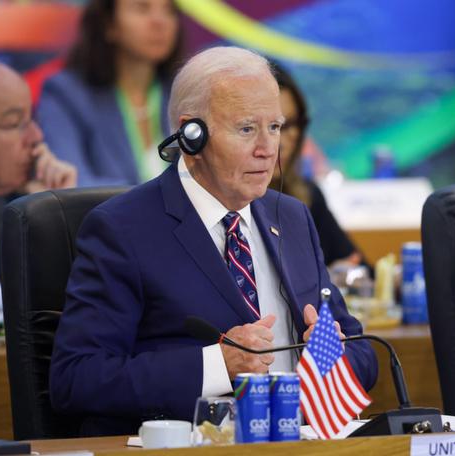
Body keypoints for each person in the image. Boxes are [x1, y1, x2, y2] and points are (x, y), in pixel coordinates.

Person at [49, 47, 378, 436]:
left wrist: (330, 354)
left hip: (297, 440)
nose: (268, 148)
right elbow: (77, 379)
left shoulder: (291, 216)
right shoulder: (121, 229)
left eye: (274, 127)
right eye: (246, 129)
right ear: (192, 135)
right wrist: (219, 365)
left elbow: (364, 353)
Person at [36, 0, 183, 187]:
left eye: (168, 10)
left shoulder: (183, 92)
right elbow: (72, 186)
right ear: (108, 24)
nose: (159, 21)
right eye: (141, 8)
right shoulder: (64, 94)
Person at [0, 60, 77, 318]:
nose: (36, 136)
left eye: (32, 119)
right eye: (16, 123)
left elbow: (65, 304)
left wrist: (53, 211)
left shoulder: (12, 201)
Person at [271, 64, 364, 267]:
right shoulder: (227, 210)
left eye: (297, 123)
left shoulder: (307, 195)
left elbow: (355, 264)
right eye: (276, 126)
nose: (293, 136)